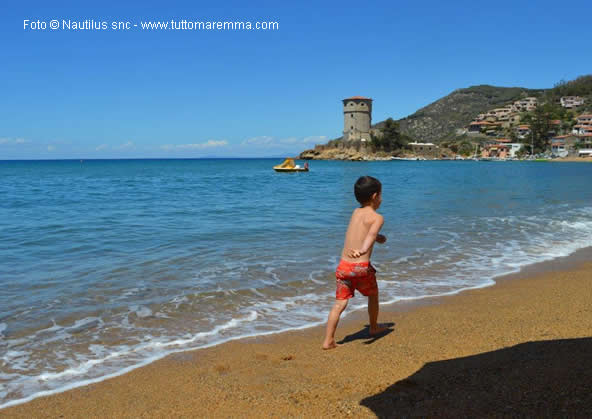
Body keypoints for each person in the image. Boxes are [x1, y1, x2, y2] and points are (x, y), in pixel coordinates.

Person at [322, 176, 387, 350]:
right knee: (373, 295)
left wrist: (378, 238)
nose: (381, 199)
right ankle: (373, 327)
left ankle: (328, 340)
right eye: (381, 195)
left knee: (340, 303)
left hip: (343, 267)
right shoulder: (377, 217)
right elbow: (370, 236)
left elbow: (367, 234)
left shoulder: (355, 212)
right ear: (374, 197)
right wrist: (363, 250)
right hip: (360, 267)